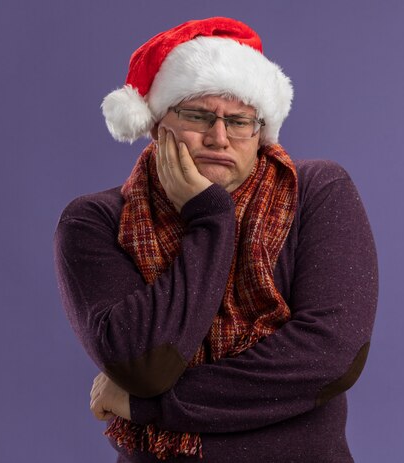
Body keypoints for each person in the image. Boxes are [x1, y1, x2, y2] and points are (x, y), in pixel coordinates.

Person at [54, 17, 378, 462]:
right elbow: (145, 364)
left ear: (260, 133)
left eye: (240, 120)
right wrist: (210, 218)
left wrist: (152, 407)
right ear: (155, 124)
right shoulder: (95, 221)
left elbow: (328, 360)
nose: (219, 136)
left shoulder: (317, 191)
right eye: (197, 115)